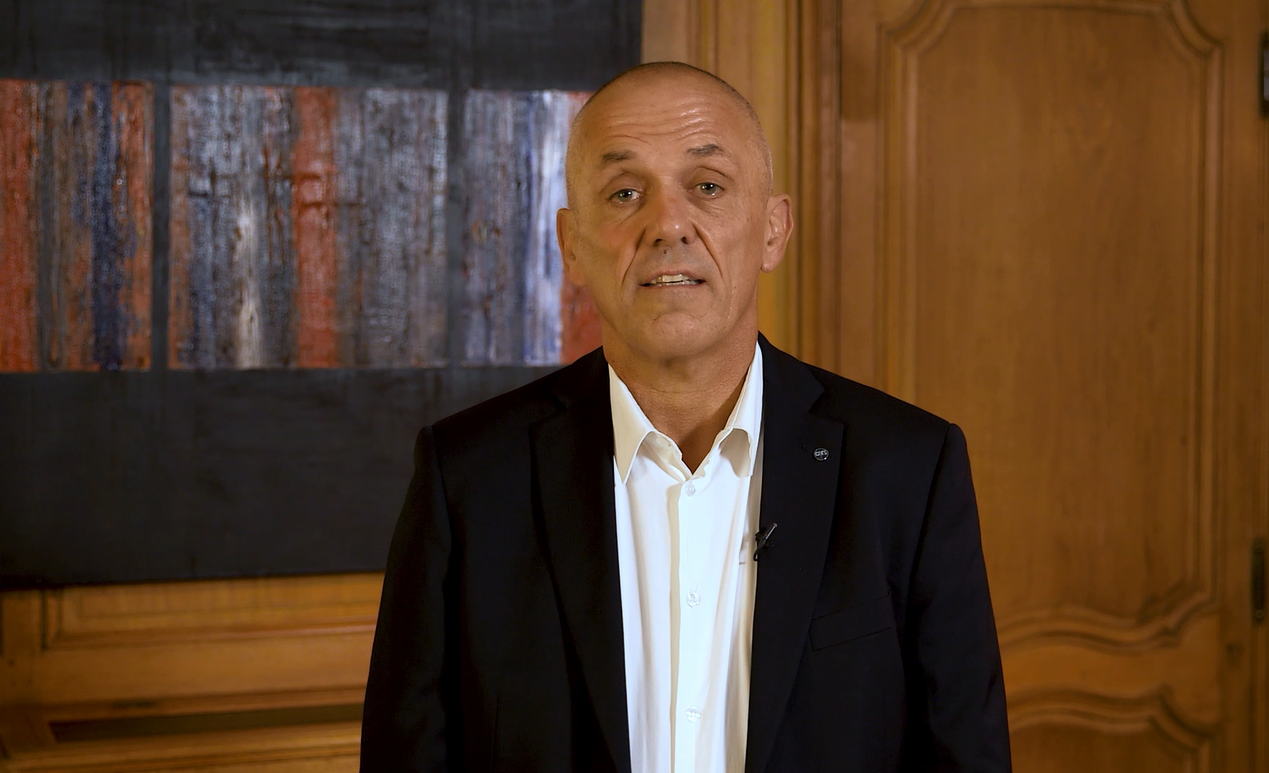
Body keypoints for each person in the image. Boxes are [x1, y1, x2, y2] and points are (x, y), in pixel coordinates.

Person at [361, 61, 1011, 772]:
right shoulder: (467, 479)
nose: (668, 224)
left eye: (707, 186)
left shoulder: (907, 468)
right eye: (625, 192)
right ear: (571, 244)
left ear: (773, 229)